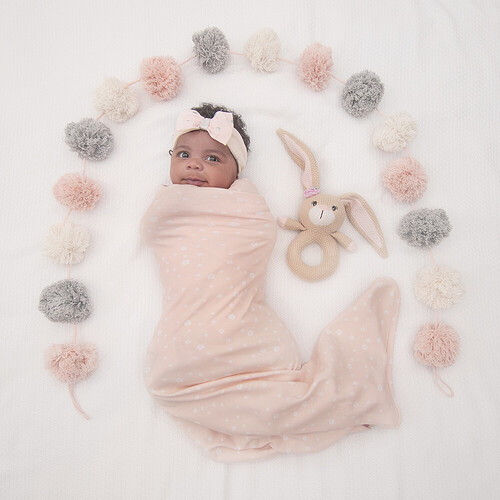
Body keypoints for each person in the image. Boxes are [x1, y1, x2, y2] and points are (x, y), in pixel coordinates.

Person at [139, 103, 402, 463]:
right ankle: (336, 407)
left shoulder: (245, 210)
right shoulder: (168, 207)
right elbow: (155, 229)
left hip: (245, 333)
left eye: (212, 158)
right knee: (165, 386)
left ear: (236, 172)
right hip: (182, 345)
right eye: (183, 154)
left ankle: (330, 407)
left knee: (175, 386)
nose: (194, 164)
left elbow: (257, 237)